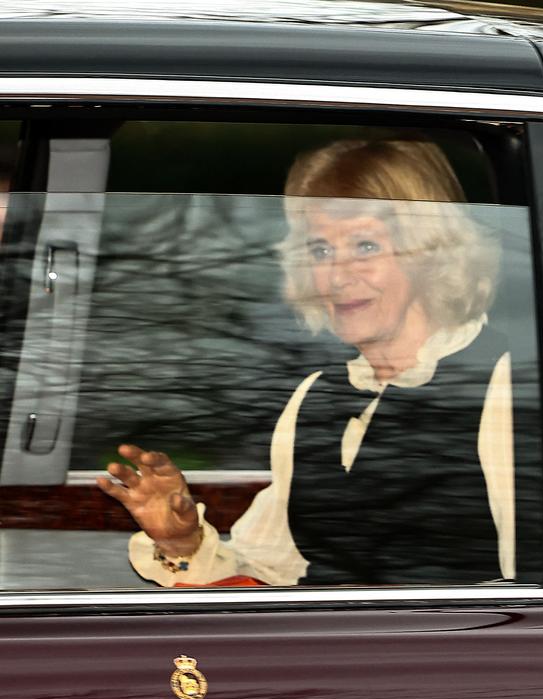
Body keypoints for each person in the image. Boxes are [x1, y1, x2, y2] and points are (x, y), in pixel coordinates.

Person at [98, 139, 518, 586]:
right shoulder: (316, 396)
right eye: (320, 250)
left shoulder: (506, 390)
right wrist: (183, 543)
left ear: (430, 253)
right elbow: (269, 569)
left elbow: (539, 603)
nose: (337, 276)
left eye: (365, 246)